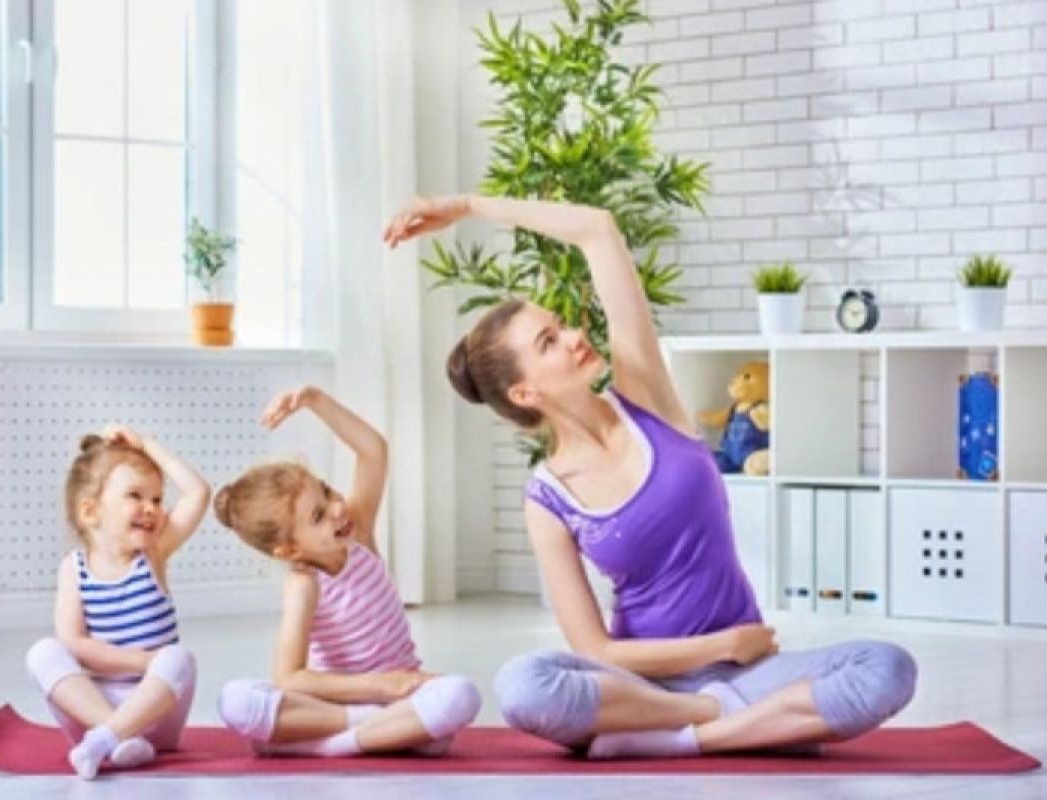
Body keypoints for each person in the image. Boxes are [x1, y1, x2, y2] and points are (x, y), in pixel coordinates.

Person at [384, 194, 917, 758]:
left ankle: (679, 740)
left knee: (887, 670)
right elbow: (594, 649)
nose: (572, 336)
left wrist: (467, 206)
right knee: (524, 685)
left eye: (560, 325)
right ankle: (727, 725)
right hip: (648, 684)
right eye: (549, 343)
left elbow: (598, 230)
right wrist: (724, 644)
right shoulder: (548, 498)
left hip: (746, 675)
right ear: (525, 393)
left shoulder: (645, 397)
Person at [213, 385, 481, 756]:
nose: (337, 509)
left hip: (399, 697)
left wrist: (314, 401)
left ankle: (321, 745)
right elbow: (289, 677)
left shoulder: (359, 535)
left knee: (460, 696)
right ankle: (363, 734)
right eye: (318, 516)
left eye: (327, 492)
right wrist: (383, 687)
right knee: (238, 701)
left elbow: (373, 451)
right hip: (347, 703)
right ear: (290, 549)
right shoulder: (304, 585)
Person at [25, 425, 210, 778]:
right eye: (135, 496)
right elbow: (75, 644)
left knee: (178, 659)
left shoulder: (154, 552)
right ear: (90, 511)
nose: (151, 509)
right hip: (93, 706)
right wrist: (142, 660)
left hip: (155, 709)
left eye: (157, 499)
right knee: (43, 652)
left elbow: (198, 492)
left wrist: (147, 445)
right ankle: (115, 735)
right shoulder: (73, 570)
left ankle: (105, 739)